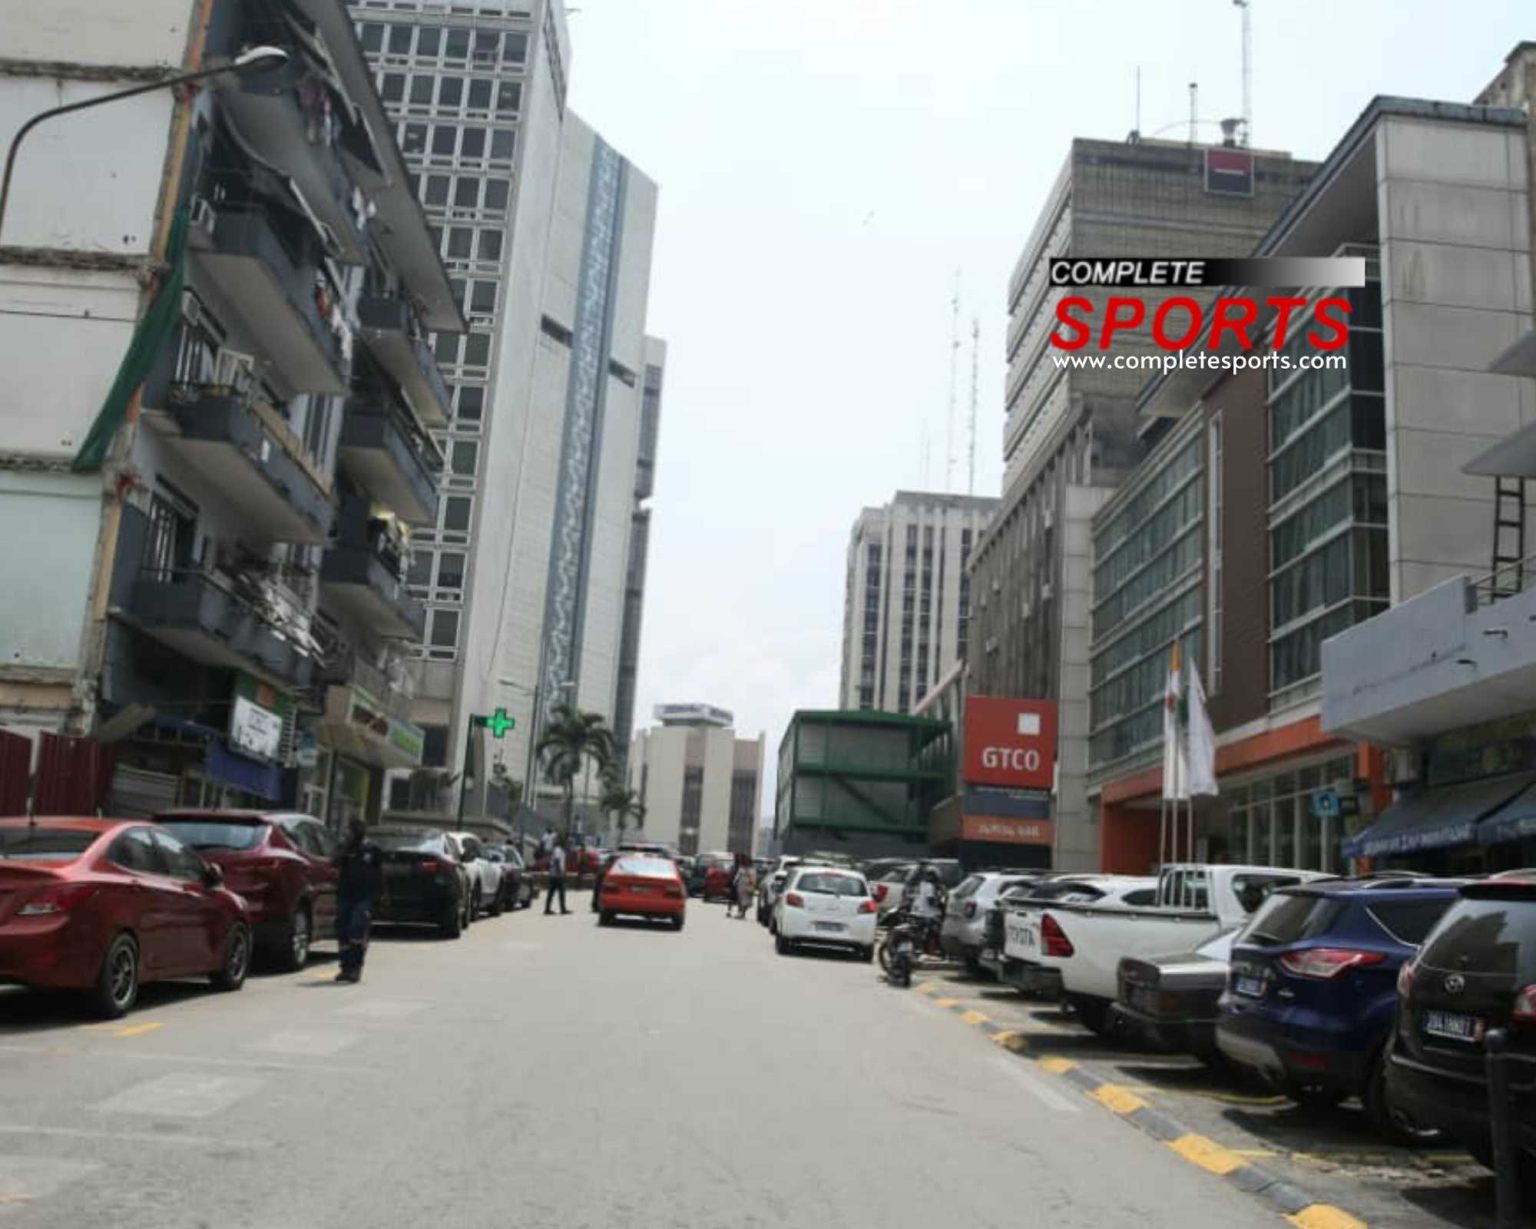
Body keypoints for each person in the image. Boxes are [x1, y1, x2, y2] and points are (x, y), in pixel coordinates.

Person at [333, 818, 382, 984]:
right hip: (345, 894)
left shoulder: (372, 849)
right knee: (343, 929)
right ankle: (345, 967)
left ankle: (356, 967)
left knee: (357, 927)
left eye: (355, 829)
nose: (352, 833)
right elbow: (334, 861)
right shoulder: (346, 848)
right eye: (351, 829)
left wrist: (382, 895)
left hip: (364, 896)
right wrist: (344, 850)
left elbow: (380, 873)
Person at [544, 836, 570, 915]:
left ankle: (548, 909)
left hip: (554, 874)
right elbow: (557, 860)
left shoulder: (557, 850)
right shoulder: (558, 850)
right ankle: (562, 909)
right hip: (557, 875)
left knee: (551, 892)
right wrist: (561, 872)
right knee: (560, 892)